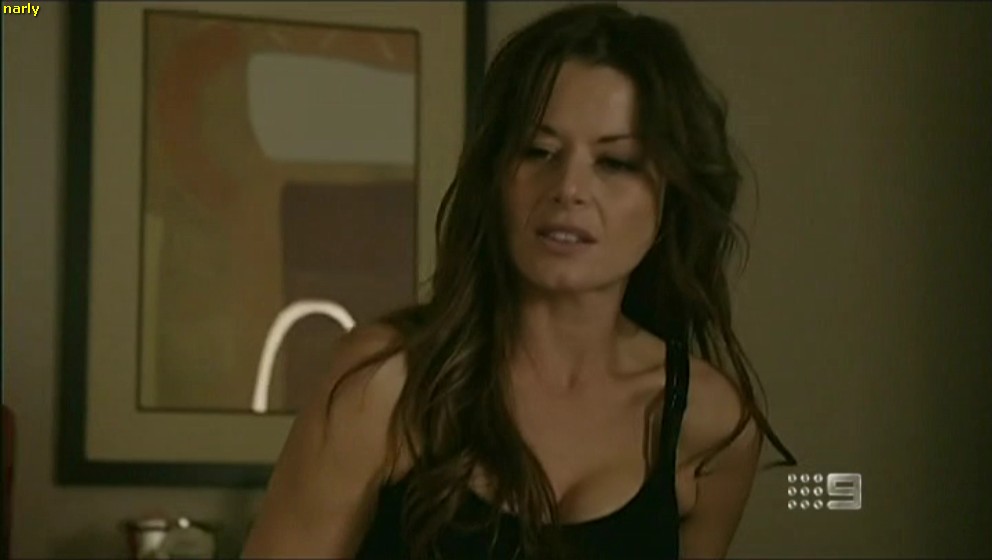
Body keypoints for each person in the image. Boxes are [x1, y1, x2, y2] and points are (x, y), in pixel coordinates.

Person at [242, 4, 795, 559]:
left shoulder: (709, 424)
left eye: (616, 162)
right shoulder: (387, 383)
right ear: (495, 177)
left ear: (671, 197)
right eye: (539, 151)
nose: (569, 188)